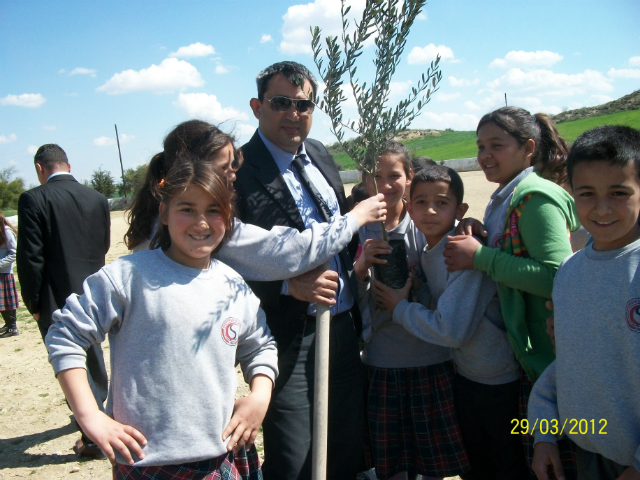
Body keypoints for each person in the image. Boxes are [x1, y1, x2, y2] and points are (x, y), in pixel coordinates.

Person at [45, 159, 278, 479]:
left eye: (213, 209)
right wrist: (89, 415)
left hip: (219, 458)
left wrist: (260, 396)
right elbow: (66, 333)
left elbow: (260, 345)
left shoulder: (234, 285)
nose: (201, 222)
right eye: (187, 208)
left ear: (228, 216)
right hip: (145, 462)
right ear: (164, 213)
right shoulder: (128, 276)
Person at [233, 60, 366, 480]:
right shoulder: (237, 172)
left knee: (344, 443)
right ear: (257, 107)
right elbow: (227, 260)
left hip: (343, 326)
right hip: (286, 336)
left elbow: (342, 230)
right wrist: (289, 286)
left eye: (304, 104)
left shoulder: (322, 156)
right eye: (281, 103)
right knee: (294, 457)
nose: (294, 113)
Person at [443, 107, 579, 478]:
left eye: (497, 145)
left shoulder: (535, 197)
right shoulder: (505, 196)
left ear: (528, 148)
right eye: (481, 146)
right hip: (528, 361)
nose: (485, 155)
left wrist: (482, 257)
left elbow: (558, 276)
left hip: (551, 362)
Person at [374, 165, 526, 479]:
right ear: (409, 209)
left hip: (500, 385)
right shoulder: (433, 250)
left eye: (441, 203)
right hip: (469, 378)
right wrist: (420, 291)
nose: (430, 211)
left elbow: (451, 329)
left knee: (509, 464)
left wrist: (400, 308)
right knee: (478, 465)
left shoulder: (461, 252)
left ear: (460, 209)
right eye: (421, 203)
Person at [126, 119, 386, 282]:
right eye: (222, 169)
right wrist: (356, 217)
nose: (233, 176)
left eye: (233, 165)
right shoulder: (205, 226)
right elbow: (287, 251)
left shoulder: (162, 218)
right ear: (193, 170)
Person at [529, 126, 640, 480]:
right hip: (586, 454)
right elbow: (571, 362)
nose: (602, 208)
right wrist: (543, 433)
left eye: (619, 192)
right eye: (587, 193)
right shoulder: (569, 272)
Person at [355, 148, 471, 480]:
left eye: (394, 175)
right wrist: (361, 271)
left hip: (432, 363)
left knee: (432, 468)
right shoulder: (356, 231)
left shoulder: (427, 225)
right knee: (390, 466)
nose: (385, 184)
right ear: (364, 179)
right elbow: (348, 302)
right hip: (381, 364)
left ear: (409, 179)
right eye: (375, 176)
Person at [17, 144, 110, 459]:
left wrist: (33, 303)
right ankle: (98, 410)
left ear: (40, 168)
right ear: (68, 165)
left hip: (56, 296)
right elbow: (103, 244)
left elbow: (30, 258)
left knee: (69, 362)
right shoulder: (96, 198)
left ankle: (94, 437)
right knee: (93, 356)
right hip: (95, 292)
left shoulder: (34, 199)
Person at [0, 211, 19, 338]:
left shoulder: (6, 231)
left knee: (8, 302)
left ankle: (13, 327)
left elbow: (14, 253)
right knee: (1, 302)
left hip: (5, 273)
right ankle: (7, 324)